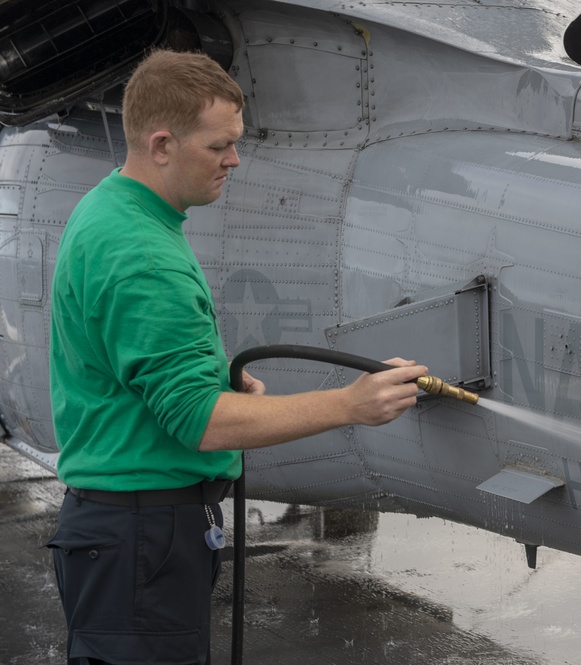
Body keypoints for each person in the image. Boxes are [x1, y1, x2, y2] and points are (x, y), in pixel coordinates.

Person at [45, 49, 427, 665]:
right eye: (219, 145)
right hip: (142, 539)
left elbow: (134, 365)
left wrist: (209, 379)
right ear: (163, 144)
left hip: (119, 535)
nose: (235, 159)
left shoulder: (112, 209)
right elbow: (203, 422)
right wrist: (350, 404)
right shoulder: (145, 256)